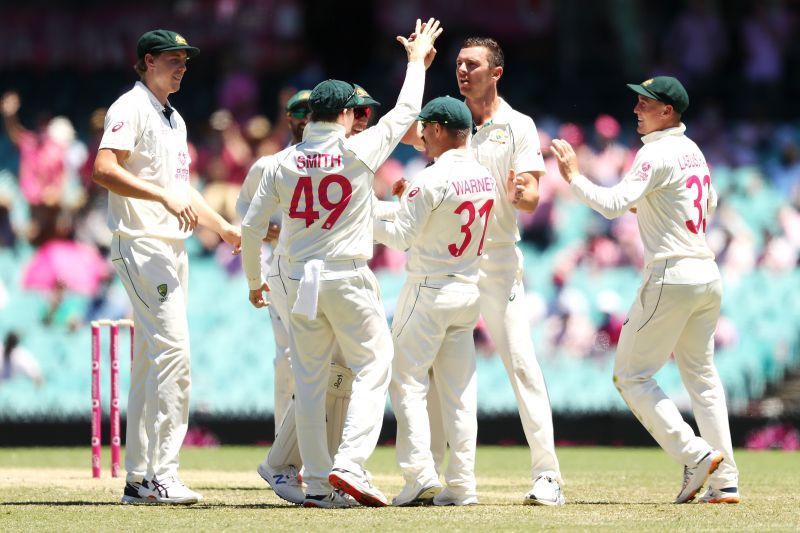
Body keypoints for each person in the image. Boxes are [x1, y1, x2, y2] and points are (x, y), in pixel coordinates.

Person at [240, 18, 442, 509]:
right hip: (346, 275)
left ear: (310, 114)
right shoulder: (357, 150)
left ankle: (316, 488)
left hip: (297, 281)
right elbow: (406, 110)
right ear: (346, 115)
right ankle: (349, 462)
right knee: (375, 363)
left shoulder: (280, 162)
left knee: (308, 384)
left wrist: (253, 281)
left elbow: (249, 228)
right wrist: (416, 61)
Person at [550, 76, 739, 504]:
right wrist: (653, 203)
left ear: (667, 111)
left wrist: (574, 177)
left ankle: (694, 454)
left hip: (671, 274)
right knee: (703, 379)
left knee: (631, 375)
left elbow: (614, 205)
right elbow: (705, 206)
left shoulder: (653, 152)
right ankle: (725, 481)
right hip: (707, 275)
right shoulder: (694, 152)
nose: (636, 109)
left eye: (645, 104)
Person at [92, 29, 241, 505]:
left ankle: (139, 478)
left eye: (185, 61)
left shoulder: (173, 119)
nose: (182, 67)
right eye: (174, 59)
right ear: (148, 61)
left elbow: (184, 189)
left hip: (170, 247)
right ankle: (163, 473)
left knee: (149, 364)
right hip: (140, 243)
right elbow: (103, 168)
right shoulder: (128, 107)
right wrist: (159, 197)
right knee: (174, 354)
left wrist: (223, 227)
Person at [454, 36, 564, 505]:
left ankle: (548, 476)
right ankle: (445, 478)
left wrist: (523, 194)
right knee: (445, 368)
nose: (462, 70)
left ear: (496, 73)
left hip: (497, 258)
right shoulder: (449, 121)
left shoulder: (518, 125)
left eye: (472, 64)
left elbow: (534, 195)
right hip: (451, 260)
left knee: (521, 363)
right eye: (459, 63)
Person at [374, 96, 495, 507]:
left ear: (439, 128)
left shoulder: (429, 179)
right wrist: (398, 203)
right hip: (467, 290)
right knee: (460, 394)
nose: (421, 135)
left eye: (425, 128)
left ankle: (419, 474)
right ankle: (462, 485)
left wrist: (358, 219)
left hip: (429, 289)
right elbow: (435, 215)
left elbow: (401, 238)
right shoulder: (484, 175)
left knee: (406, 380)